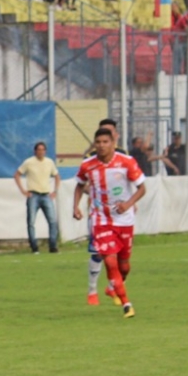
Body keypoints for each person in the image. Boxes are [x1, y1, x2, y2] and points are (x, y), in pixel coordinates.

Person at [73, 128, 146, 319]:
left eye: (105, 142)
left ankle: (112, 287)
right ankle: (126, 304)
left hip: (124, 220)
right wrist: (76, 206)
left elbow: (142, 188)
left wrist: (128, 204)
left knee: (124, 267)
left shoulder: (126, 162)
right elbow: (79, 185)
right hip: (101, 220)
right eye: (98, 142)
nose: (101, 145)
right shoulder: (88, 165)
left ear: (113, 143)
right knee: (110, 262)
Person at [82, 118, 127, 306]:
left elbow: (127, 183)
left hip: (120, 215)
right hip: (99, 214)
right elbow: (83, 184)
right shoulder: (91, 159)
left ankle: (111, 287)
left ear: (115, 136)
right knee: (99, 253)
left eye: (109, 133)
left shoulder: (123, 156)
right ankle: (92, 290)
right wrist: (98, 193)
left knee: (118, 255)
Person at [14, 142, 61, 254]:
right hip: (33, 194)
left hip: (46, 194)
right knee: (31, 222)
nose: (41, 152)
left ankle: (53, 245)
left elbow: (57, 176)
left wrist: (55, 191)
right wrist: (23, 191)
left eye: (43, 150)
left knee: (52, 221)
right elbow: (17, 174)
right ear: (35, 151)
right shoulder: (29, 162)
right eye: (39, 150)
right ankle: (34, 247)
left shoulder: (49, 162)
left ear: (45, 151)